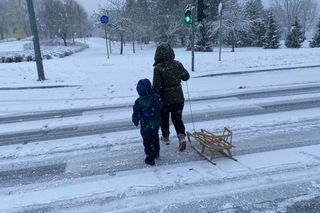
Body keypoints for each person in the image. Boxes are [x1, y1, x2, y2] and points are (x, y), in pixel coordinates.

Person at [152, 43, 190, 152]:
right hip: (178, 98)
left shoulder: (158, 68)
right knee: (177, 118)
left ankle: (165, 137)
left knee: (164, 118)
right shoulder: (178, 64)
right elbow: (186, 77)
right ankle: (181, 137)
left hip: (164, 99)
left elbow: (156, 86)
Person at [132, 79, 163, 166]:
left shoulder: (139, 101)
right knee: (155, 137)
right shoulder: (156, 97)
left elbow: (136, 113)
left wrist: (135, 120)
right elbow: (160, 106)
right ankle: (156, 152)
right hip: (156, 122)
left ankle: (150, 157)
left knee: (147, 140)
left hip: (145, 124)